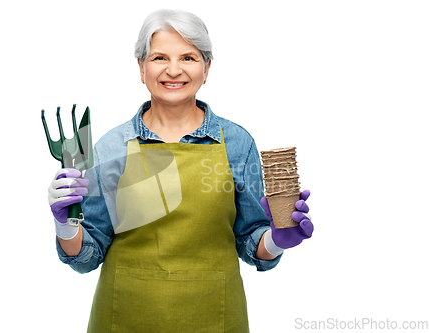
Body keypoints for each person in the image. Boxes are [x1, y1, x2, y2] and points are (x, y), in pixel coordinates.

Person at [47, 9, 313, 332]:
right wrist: (65, 225)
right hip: (125, 319)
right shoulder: (111, 146)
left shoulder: (237, 144)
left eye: (188, 58)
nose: (174, 70)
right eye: (160, 57)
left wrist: (276, 240)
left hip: (214, 319)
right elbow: (88, 254)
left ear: (207, 67)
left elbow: (251, 243)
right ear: (141, 67)